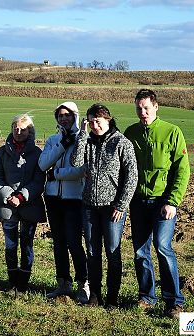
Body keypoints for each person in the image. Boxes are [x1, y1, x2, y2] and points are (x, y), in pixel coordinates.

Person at [124, 89, 190, 319]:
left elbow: (182, 169)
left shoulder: (172, 132)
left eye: (146, 108)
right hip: (138, 202)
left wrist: (172, 201)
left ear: (156, 107)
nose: (142, 112)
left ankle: (174, 301)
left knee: (162, 247)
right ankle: (146, 296)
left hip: (163, 203)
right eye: (138, 109)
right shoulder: (131, 133)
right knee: (141, 251)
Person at [71, 103, 138, 308]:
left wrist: (122, 204)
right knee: (92, 252)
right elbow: (75, 162)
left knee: (112, 251)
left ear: (108, 120)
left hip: (113, 208)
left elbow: (131, 176)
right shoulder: (88, 141)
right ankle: (95, 296)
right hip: (89, 205)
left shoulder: (121, 143)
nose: (94, 125)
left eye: (98, 121)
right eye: (91, 122)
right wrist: (82, 134)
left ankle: (112, 298)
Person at [38, 101, 89, 303]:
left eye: (67, 115)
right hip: (52, 198)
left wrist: (57, 174)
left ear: (75, 116)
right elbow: (43, 165)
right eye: (60, 115)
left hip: (74, 198)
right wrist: (62, 145)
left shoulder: (83, 139)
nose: (64, 118)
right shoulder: (53, 140)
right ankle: (63, 282)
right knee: (58, 242)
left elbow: (81, 170)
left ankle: (83, 283)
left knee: (74, 242)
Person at [0, 113, 46, 294]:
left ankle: (23, 284)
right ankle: (12, 282)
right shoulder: (2, 152)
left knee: (27, 243)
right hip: (7, 205)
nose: (18, 131)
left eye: (23, 129)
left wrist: (22, 196)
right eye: (15, 128)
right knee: (10, 244)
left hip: (29, 204)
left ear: (30, 131)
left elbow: (39, 180)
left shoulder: (38, 153)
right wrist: (8, 196)